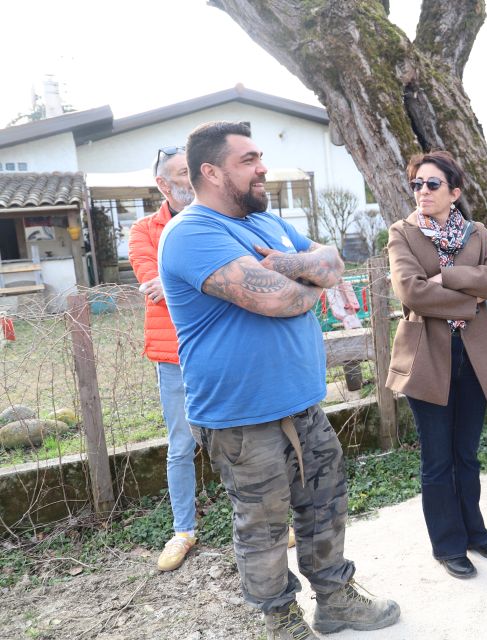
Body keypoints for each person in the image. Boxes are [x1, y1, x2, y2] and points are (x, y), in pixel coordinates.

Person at [159, 121, 399, 639]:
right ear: (211, 171)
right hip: (241, 416)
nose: (262, 166)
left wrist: (292, 265)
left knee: (325, 503)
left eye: (260, 156)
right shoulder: (192, 232)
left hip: (301, 402)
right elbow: (279, 299)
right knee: (264, 526)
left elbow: (333, 261)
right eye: (248, 160)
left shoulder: (267, 225)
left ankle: (335, 600)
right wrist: (306, 283)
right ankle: (281, 620)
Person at [386, 150, 487, 580]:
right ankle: (447, 544)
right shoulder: (401, 233)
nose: (422, 191)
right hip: (427, 358)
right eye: (417, 184)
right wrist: (471, 295)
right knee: (437, 459)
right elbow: (411, 292)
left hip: (475, 356)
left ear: (454, 192)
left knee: (467, 454)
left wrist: (448, 277)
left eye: (432, 184)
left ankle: (475, 532)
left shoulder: (476, 232)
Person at [128, 146, 198, 572]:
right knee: (181, 444)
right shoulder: (144, 230)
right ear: (163, 184)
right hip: (171, 354)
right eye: (183, 173)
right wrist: (207, 281)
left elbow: (232, 273)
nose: (192, 180)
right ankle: (183, 530)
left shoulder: (219, 218)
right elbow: (150, 282)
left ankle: (262, 521)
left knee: (236, 436)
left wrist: (175, 283)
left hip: (218, 348)